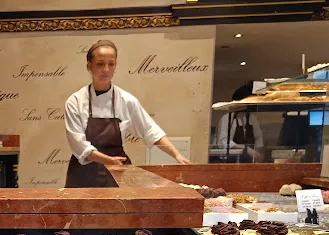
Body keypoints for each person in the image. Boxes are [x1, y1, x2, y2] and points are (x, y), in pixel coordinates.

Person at [63, 40, 190, 188]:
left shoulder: (127, 100)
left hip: (118, 170)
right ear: (89, 66)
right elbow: (79, 145)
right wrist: (108, 160)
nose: (106, 69)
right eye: (100, 64)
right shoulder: (75, 101)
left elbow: (150, 131)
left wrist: (176, 154)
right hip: (83, 173)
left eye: (111, 64)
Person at [215, 83, 264, 162]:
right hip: (231, 161)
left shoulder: (252, 117)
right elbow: (222, 142)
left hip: (250, 161)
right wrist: (246, 149)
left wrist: (258, 154)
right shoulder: (227, 118)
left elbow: (258, 138)